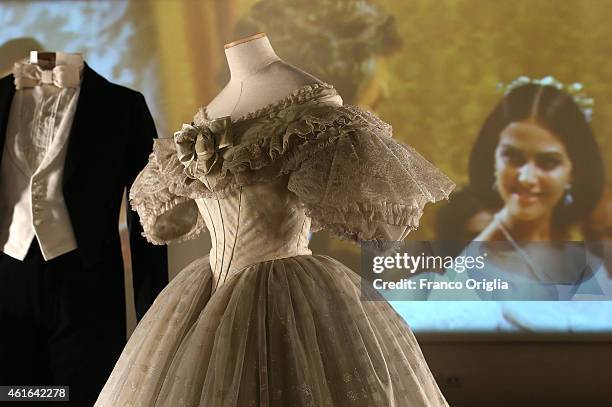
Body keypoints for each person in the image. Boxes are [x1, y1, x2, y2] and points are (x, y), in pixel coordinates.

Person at [94, 34, 455, 407]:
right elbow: (164, 223)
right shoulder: (204, 121)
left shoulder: (312, 112)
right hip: (203, 296)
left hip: (284, 296)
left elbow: (379, 228)